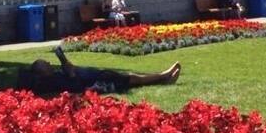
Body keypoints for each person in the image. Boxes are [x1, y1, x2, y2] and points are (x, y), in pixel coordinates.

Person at [27, 47, 181, 95]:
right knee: (133, 79)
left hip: (95, 76)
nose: (48, 62)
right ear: (42, 72)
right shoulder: (54, 81)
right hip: (97, 81)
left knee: (132, 79)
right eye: (44, 64)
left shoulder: (54, 75)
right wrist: (72, 73)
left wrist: (66, 64)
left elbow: (72, 74)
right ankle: (163, 76)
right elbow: (76, 87)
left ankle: (164, 78)